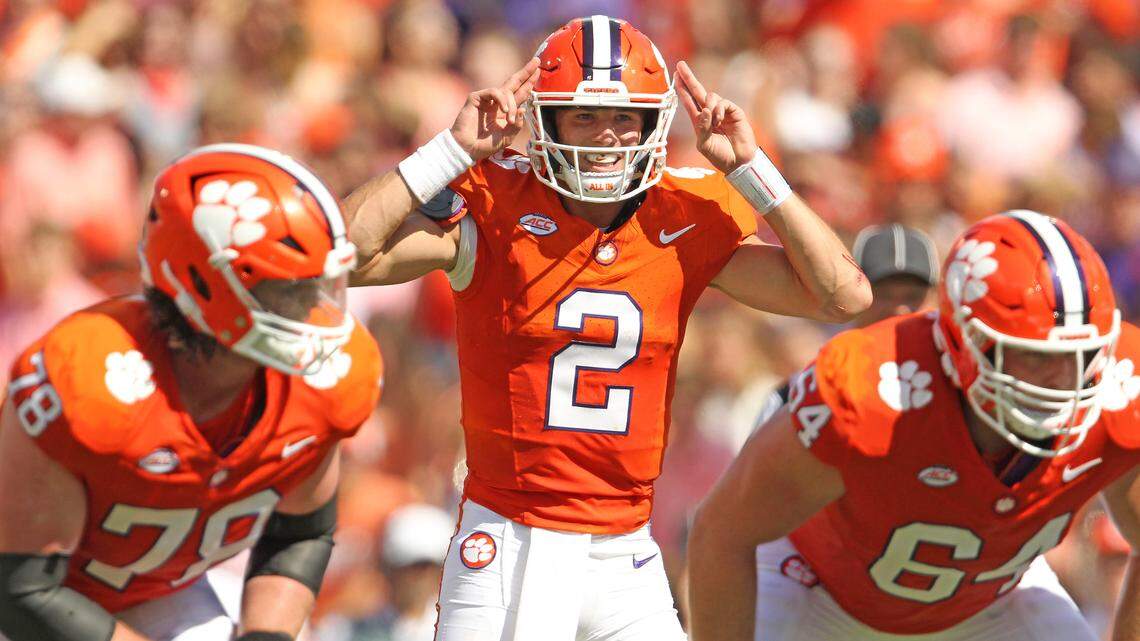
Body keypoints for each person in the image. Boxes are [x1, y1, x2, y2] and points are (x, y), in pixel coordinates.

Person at [345, 15, 870, 640]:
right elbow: (336, 254)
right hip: (513, 540)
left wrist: (754, 172)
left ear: (652, 123)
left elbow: (843, 296)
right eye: (583, 117)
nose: (606, 137)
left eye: (624, 117)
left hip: (627, 551)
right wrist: (448, 154)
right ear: (546, 122)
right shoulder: (495, 205)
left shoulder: (684, 215)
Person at [687, 210, 1140, 641]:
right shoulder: (873, 387)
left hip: (991, 599)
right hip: (817, 591)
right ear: (965, 337)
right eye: (1034, 355)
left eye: (1078, 357)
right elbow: (723, 533)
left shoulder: (1124, 387)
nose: (1060, 380)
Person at [0, 144, 383, 641]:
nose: (312, 307)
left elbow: (302, 532)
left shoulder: (323, 384)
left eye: (317, 284)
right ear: (206, 285)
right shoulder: (93, 380)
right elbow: (20, 590)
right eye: (288, 288)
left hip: (155, 596)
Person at [754, 222, 938, 425]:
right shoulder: (803, 393)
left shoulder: (962, 384)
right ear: (853, 296)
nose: (899, 310)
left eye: (913, 296)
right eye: (883, 295)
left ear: (938, 298)